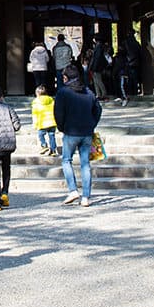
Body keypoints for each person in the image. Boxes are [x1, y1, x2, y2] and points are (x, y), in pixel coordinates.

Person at [54, 62, 102, 207]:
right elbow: (98, 110)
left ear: (67, 78)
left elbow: (58, 113)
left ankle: (73, 190)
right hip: (87, 131)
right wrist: (92, 123)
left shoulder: (63, 92)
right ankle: (86, 196)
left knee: (66, 160)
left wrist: (62, 127)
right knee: (85, 164)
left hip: (71, 131)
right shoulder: (88, 91)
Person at [31, 84, 59, 156]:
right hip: (52, 122)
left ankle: (44, 145)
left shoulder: (36, 102)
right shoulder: (51, 100)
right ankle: (53, 150)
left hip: (42, 122)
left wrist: (35, 124)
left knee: (41, 135)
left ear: (37, 94)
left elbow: (35, 114)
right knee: (52, 136)